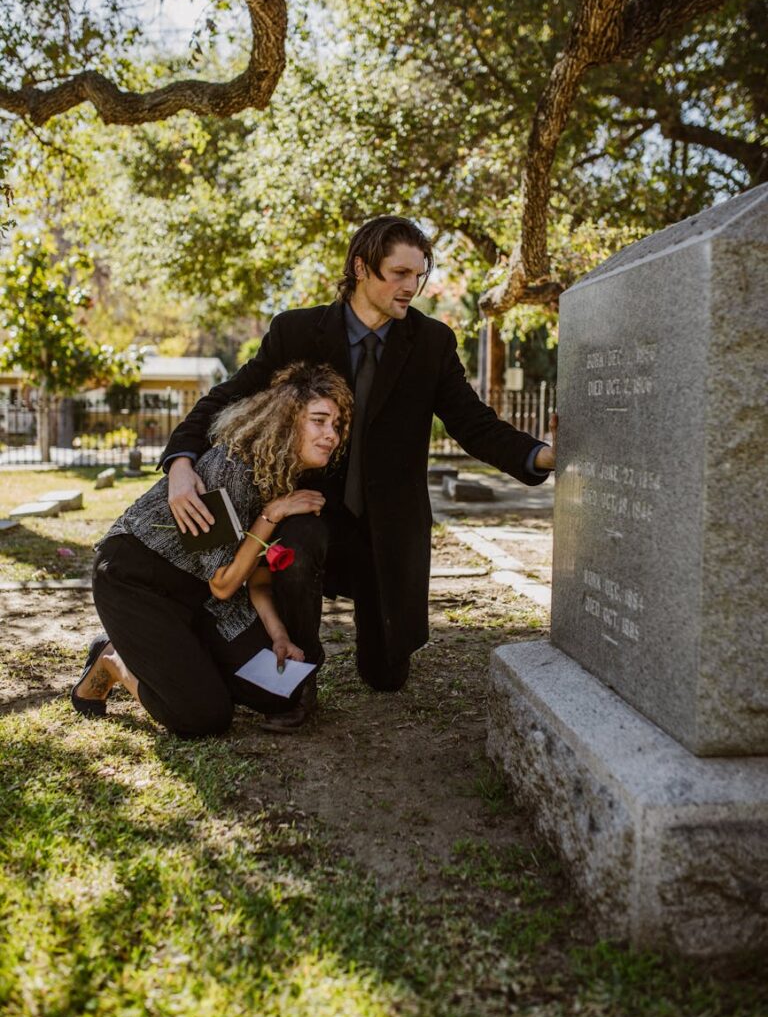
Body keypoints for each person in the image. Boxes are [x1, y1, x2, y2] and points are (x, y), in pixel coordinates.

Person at [163, 215, 556, 698]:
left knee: (385, 677)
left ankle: (378, 646)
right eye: (399, 273)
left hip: (390, 525)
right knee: (297, 546)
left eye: (419, 274)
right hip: (312, 510)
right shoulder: (297, 332)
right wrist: (180, 461)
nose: (412, 286)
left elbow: (474, 424)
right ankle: (297, 683)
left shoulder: (431, 343)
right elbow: (227, 398)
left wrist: (542, 457)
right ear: (361, 267)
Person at [71, 362, 353, 737]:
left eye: (336, 425)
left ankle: (185, 662)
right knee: (202, 717)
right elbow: (223, 583)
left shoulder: (281, 474)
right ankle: (113, 660)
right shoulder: (231, 467)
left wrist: (280, 635)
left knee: (279, 691)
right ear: (287, 420)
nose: (331, 435)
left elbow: (256, 578)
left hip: (197, 595)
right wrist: (271, 514)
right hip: (136, 581)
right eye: (319, 421)